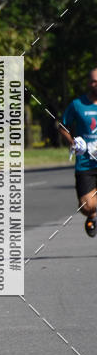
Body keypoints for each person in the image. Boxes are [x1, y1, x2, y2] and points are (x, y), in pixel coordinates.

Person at [59, 68, 97, 237]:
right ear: (89, 83)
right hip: (85, 162)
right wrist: (73, 142)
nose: (95, 84)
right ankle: (92, 215)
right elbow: (62, 127)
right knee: (86, 207)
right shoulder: (77, 104)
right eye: (93, 81)